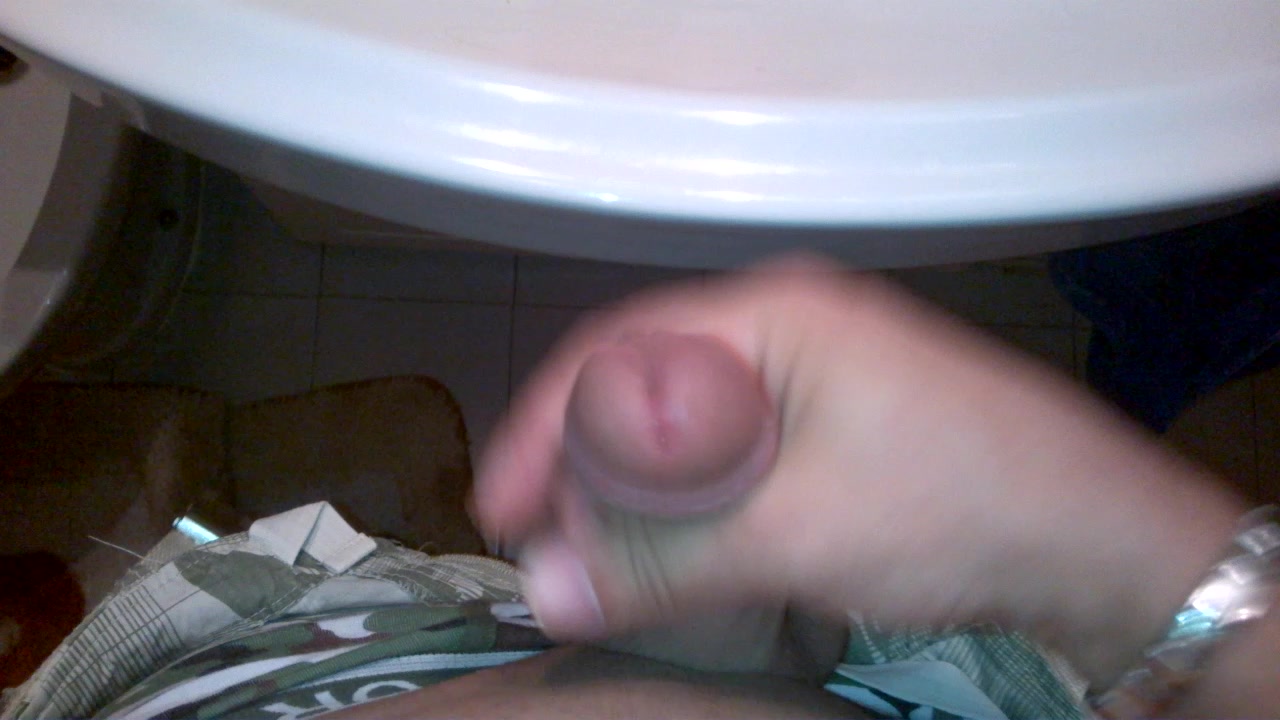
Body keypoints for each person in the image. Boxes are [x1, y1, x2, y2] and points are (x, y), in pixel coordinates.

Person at [5, 256, 1275, 720]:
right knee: (1225, 366)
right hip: (1041, 664)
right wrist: (1138, 566)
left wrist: (712, 640)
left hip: (260, 661)